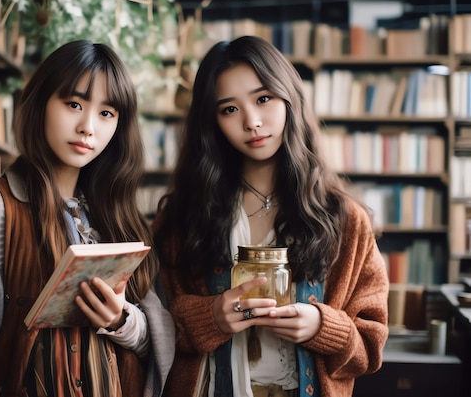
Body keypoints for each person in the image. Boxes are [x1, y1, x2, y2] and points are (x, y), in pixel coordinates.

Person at [0, 40, 174, 397]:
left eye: (107, 113)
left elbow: (159, 341)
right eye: (74, 104)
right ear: (40, 103)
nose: (88, 127)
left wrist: (121, 320)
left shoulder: (117, 216)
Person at [152, 35, 389, 397]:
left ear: (289, 98)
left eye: (264, 99)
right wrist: (211, 317)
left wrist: (323, 326)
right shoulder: (182, 218)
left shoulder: (345, 220)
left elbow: (371, 347)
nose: (252, 122)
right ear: (211, 121)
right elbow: (155, 327)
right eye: (229, 109)